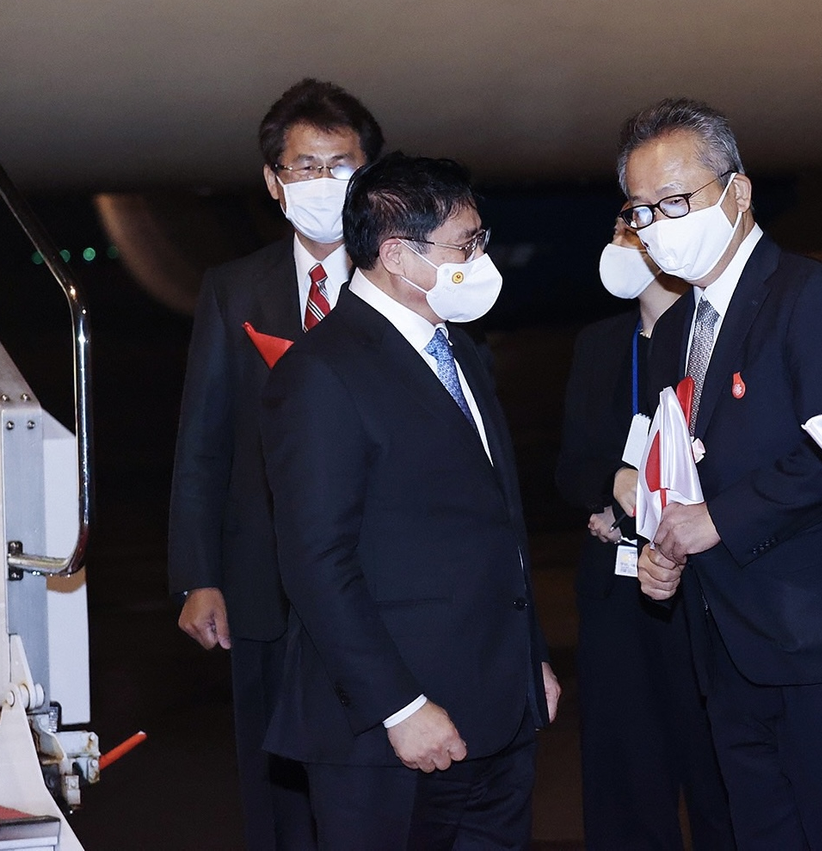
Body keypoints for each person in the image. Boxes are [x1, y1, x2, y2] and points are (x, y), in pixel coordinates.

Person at [624, 98, 822, 849]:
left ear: (739, 192)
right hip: (725, 644)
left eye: (675, 202)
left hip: (820, 643)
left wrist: (718, 521)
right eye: (642, 212)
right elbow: (676, 464)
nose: (658, 226)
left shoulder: (813, 298)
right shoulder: (674, 330)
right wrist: (663, 548)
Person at [258, 152, 559, 849]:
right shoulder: (321, 373)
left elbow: (498, 521)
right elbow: (316, 562)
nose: (480, 260)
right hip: (389, 735)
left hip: (499, 713)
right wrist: (400, 707)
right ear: (397, 255)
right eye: (465, 245)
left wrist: (530, 659)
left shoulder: (460, 351)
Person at [167, 77, 382, 849]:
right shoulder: (234, 289)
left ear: (370, 175)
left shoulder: (403, 279)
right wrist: (198, 575)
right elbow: (204, 442)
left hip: (378, 578)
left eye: (341, 165)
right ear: (273, 180)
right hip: (261, 588)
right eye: (304, 166)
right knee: (275, 792)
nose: (323, 182)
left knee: (377, 781)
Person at [555, 217, 734, 850]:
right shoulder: (601, 342)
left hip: (698, 585)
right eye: (618, 228)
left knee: (716, 775)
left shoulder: (712, 335)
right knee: (625, 779)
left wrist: (651, 506)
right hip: (616, 590)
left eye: (637, 229)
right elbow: (570, 464)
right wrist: (611, 487)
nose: (623, 242)